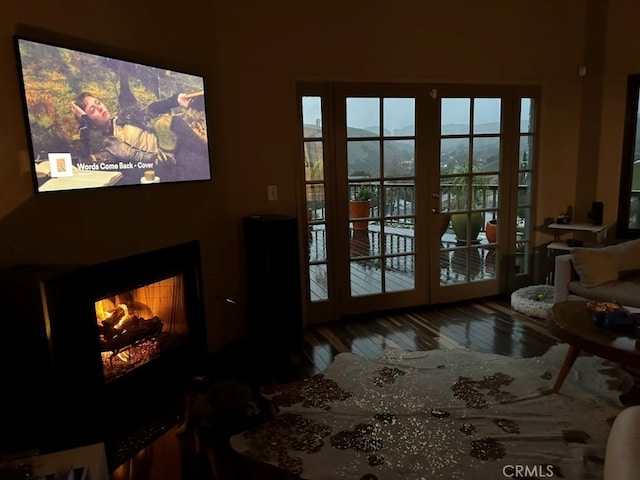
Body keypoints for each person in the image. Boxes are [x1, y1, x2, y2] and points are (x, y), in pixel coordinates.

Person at [71, 87, 209, 182]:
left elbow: (149, 109)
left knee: (202, 166)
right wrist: (84, 124)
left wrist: (175, 101)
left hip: (178, 145)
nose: (100, 108)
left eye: (98, 102)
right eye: (93, 110)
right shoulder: (108, 148)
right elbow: (86, 163)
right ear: (90, 122)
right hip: (167, 167)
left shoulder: (124, 117)